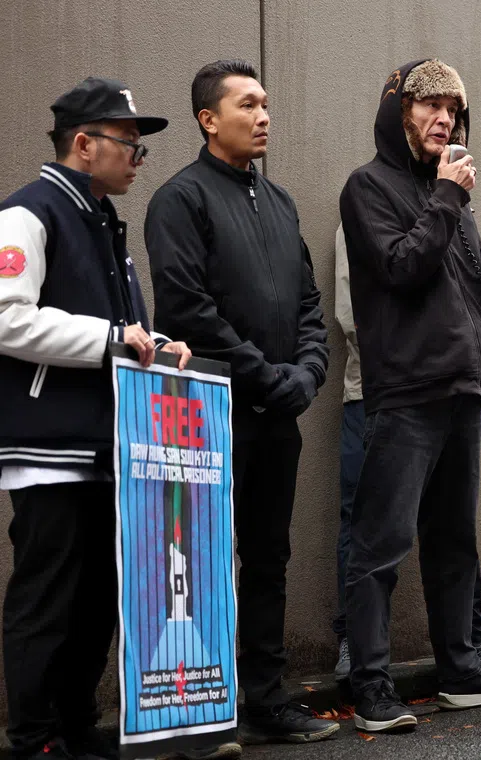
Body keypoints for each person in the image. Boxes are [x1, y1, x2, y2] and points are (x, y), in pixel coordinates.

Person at [339, 59, 481, 733]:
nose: (444, 120)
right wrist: (449, 199)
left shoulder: (449, 198)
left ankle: (464, 669)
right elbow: (401, 267)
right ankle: (370, 685)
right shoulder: (368, 188)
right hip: (406, 392)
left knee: (455, 542)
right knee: (381, 543)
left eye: (453, 110)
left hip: (463, 387)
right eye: (429, 107)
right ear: (399, 115)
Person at [144, 60, 338, 753]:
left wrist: (307, 373)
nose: (263, 116)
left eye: (266, 103)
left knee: (268, 559)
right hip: (207, 411)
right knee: (194, 565)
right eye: (248, 104)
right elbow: (187, 310)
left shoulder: (280, 202)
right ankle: (195, 712)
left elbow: (311, 307)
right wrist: (266, 376)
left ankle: (266, 701)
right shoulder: (180, 199)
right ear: (208, 119)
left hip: (276, 412)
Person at [0, 77, 190, 760]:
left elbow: (121, 330)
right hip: (47, 448)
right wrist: (113, 340)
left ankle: (77, 729)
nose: (139, 160)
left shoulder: (103, 220)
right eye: (130, 146)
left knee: (96, 600)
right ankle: (33, 739)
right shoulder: (29, 212)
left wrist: (156, 345)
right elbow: (7, 318)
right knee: (47, 599)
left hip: (108, 445)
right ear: (84, 144)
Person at [331, 223, 481, 683]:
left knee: (452, 529)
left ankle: (467, 647)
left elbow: (478, 291)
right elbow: (354, 313)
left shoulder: (458, 210)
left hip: (451, 391)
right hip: (378, 391)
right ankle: (356, 649)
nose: (450, 146)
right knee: (368, 525)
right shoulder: (371, 203)